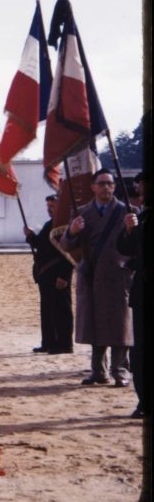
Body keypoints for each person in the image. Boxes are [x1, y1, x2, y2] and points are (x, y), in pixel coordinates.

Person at [61, 169, 137, 387]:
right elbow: (66, 245)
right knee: (95, 324)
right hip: (92, 275)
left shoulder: (128, 212)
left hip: (118, 275)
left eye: (110, 184)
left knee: (120, 325)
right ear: (93, 187)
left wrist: (133, 229)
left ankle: (120, 371)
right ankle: (98, 371)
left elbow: (136, 245)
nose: (106, 188)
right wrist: (73, 232)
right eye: (102, 183)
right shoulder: (81, 213)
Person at [24, 194, 74, 354]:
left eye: (52, 206)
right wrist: (30, 236)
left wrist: (65, 276)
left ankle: (65, 344)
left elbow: (70, 253)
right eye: (48, 207)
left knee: (61, 310)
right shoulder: (48, 225)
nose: (49, 210)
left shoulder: (66, 225)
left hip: (59, 275)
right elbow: (41, 244)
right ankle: (49, 342)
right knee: (47, 309)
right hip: (45, 274)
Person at [116, 171, 146, 418]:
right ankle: (144, 401)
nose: (140, 189)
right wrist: (129, 230)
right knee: (141, 353)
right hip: (144, 292)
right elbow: (125, 248)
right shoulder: (140, 217)